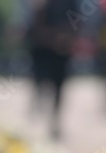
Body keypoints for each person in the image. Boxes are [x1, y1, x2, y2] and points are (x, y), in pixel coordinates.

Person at [28, 0, 76, 140]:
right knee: (41, 82)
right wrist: (53, 38)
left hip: (61, 53)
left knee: (59, 88)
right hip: (44, 52)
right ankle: (39, 105)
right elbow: (35, 27)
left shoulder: (69, 3)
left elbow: (76, 21)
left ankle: (54, 118)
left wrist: (66, 38)